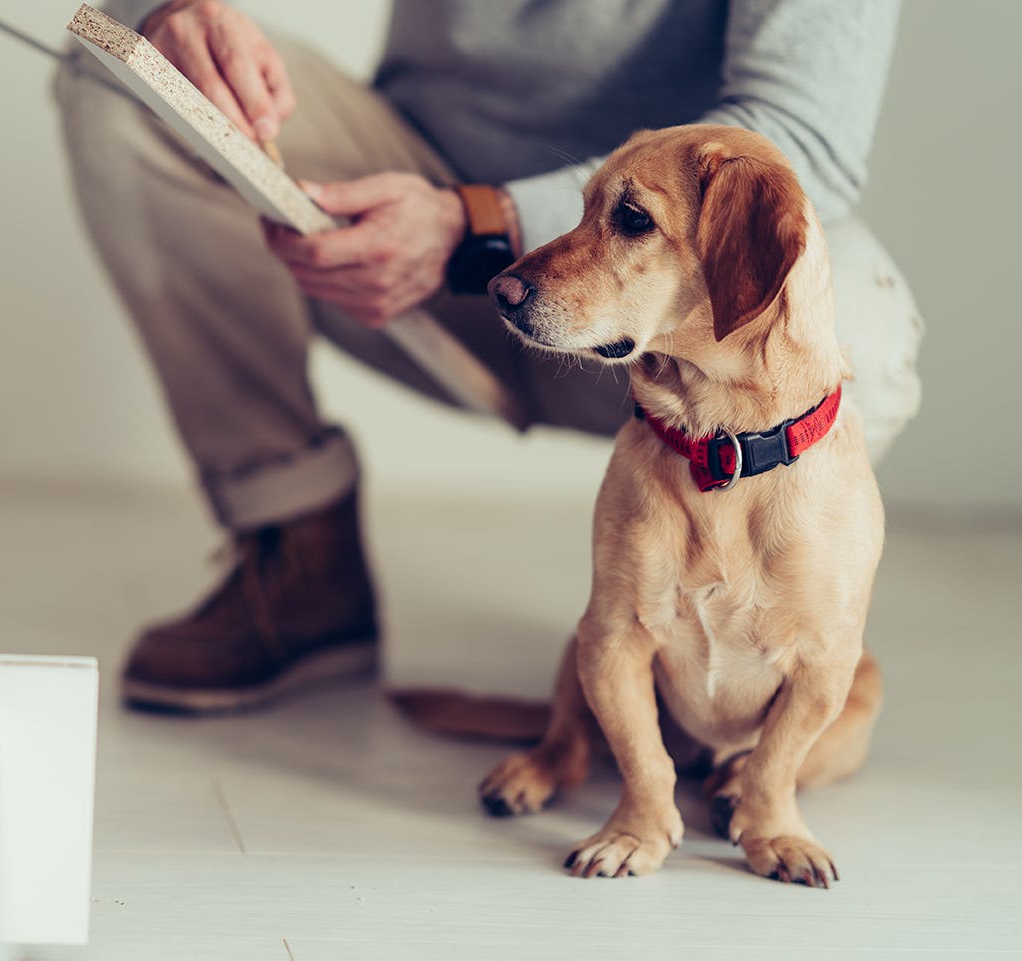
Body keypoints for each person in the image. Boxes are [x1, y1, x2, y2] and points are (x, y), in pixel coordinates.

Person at [53, 0, 923, 713]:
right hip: (404, 197)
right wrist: (173, 12)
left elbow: (803, 128)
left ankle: (749, 626)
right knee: (121, 65)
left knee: (867, 341)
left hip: (669, 294)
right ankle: (297, 540)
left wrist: (491, 220)